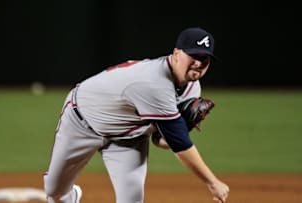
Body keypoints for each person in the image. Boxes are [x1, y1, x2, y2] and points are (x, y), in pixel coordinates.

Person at [43, 27, 230, 203]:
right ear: (176, 54)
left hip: (128, 137)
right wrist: (212, 182)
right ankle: (70, 195)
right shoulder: (153, 83)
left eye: (205, 59)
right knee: (55, 191)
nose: (198, 63)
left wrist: (183, 126)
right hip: (82, 123)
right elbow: (179, 144)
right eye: (194, 55)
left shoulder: (192, 89)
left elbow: (161, 140)